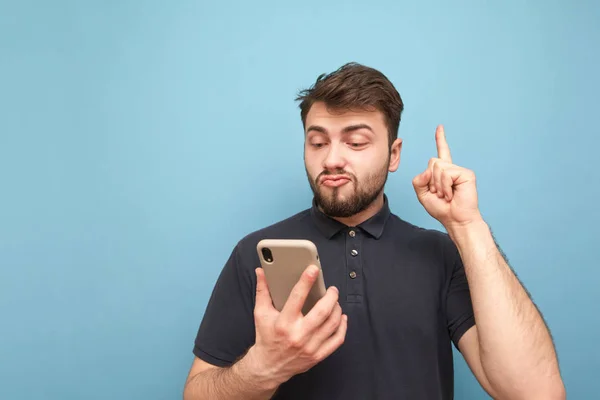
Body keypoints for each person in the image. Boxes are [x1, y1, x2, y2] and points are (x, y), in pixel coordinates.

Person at [182, 62, 565, 399]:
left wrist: (467, 227)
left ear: (393, 154)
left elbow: (536, 393)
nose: (331, 159)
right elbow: (197, 392)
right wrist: (264, 369)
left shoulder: (440, 255)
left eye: (356, 141)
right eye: (317, 142)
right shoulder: (255, 253)